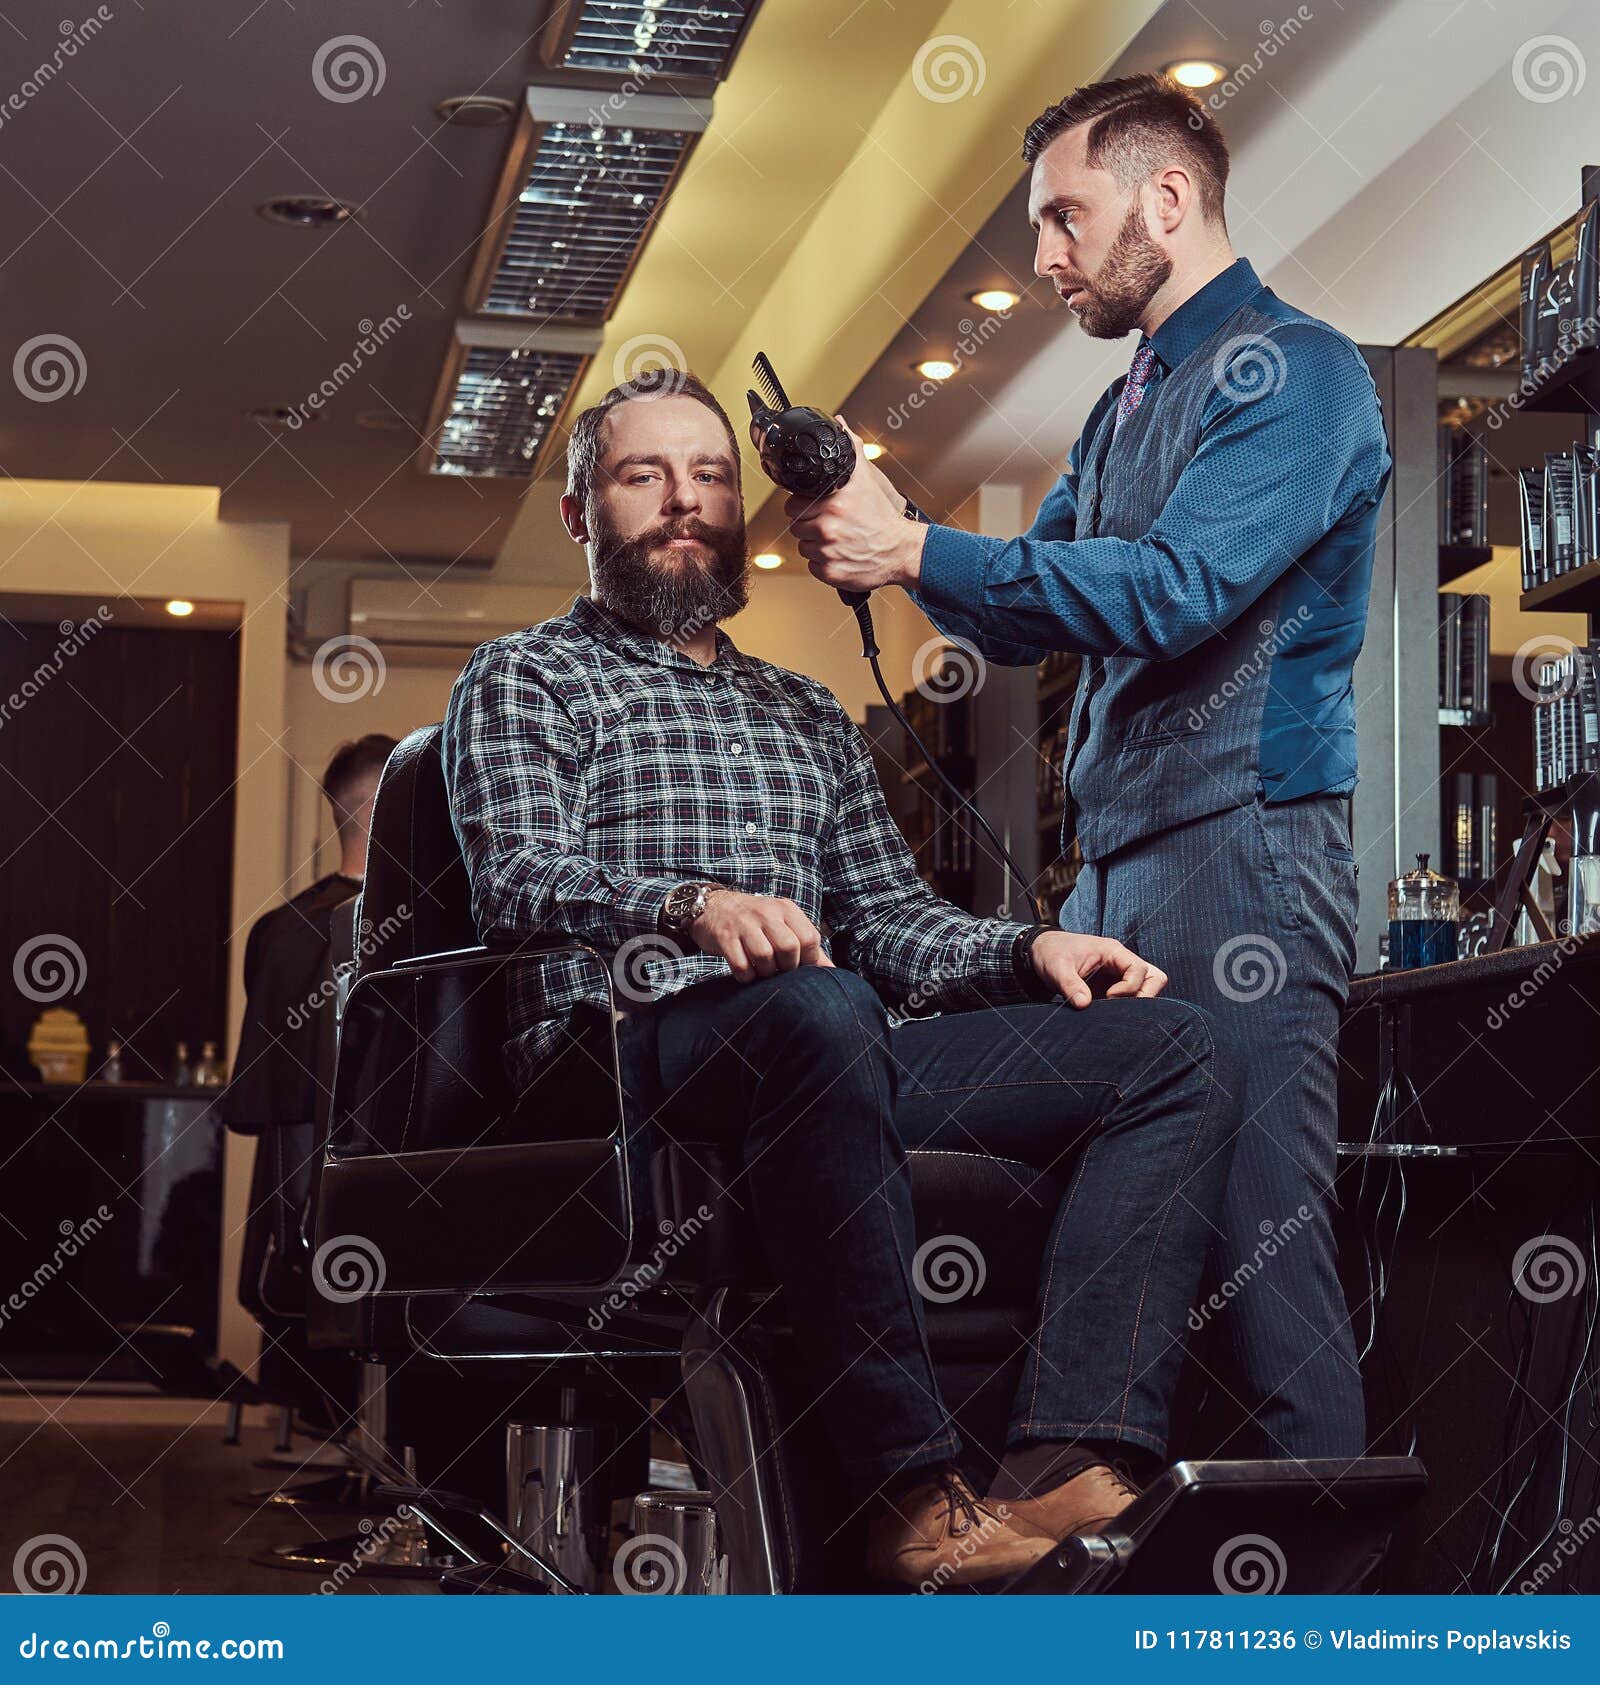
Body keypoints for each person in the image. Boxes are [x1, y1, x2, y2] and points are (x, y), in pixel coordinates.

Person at [443, 369, 1240, 1587]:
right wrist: (693, 907)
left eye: (708, 475)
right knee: (821, 1007)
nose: (683, 501)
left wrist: (1030, 949)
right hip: (621, 1058)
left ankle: (1057, 1466)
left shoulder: (806, 711)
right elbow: (514, 875)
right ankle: (905, 1489)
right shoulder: (525, 676)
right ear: (580, 513)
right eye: (641, 475)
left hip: (823, 1047)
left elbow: (891, 924)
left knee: (1173, 1047)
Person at [786, 73, 1390, 1462]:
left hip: (1241, 853)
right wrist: (894, 531)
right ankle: (1123, 1558)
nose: (1048, 255)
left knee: (1256, 1234)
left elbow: (1179, 589)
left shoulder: (1299, 374)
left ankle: (1340, 1596)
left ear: (1167, 199)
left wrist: (917, 552)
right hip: (1115, 873)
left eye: (1068, 217)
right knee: (1117, 1242)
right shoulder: (1127, 406)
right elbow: (1018, 609)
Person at [221, 734, 397, 1403]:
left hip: (297, 1211)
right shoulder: (401, 929)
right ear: (383, 810)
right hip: (370, 1194)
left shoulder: (278, 931)